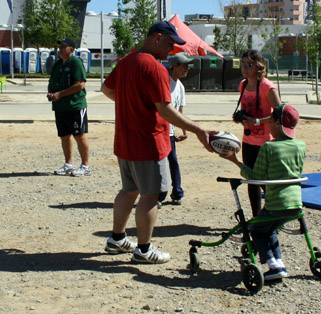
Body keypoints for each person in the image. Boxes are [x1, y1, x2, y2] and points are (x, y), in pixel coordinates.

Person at [101, 21, 215, 264]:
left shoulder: (127, 62)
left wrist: (131, 104)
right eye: (169, 43)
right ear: (157, 38)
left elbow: (106, 89)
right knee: (150, 196)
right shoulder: (155, 68)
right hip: (149, 143)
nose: (172, 49)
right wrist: (197, 129)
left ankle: (117, 239)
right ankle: (143, 250)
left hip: (125, 141)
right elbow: (165, 109)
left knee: (128, 190)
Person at [223, 103, 305, 280]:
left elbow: (256, 177)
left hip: (276, 203)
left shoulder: (269, 147)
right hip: (296, 203)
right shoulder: (300, 146)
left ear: (275, 122)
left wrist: (236, 161)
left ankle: (272, 264)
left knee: (257, 229)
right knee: (271, 227)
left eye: (271, 122)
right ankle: (279, 262)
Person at [233, 50, 282, 217]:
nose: (245, 68)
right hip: (248, 139)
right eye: (243, 64)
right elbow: (246, 109)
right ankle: (256, 217)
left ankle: (274, 213)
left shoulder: (268, 87)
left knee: (264, 181)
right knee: (251, 180)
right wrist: (241, 118)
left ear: (259, 67)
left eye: (249, 65)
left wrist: (257, 121)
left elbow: (280, 113)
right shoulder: (243, 85)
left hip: (265, 141)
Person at [47, 38, 91, 177]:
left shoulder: (76, 62)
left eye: (64, 47)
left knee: (79, 135)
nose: (60, 49)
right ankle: (68, 165)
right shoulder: (58, 64)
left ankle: (85, 166)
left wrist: (60, 94)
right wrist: (51, 93)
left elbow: (80, 84)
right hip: (60, 107)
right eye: (60, 46)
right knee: (64, 136)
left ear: (71, 49)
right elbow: (51, 81)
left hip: (75, 105)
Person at [158, 52, 193, 207]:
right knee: (160, 163)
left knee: (173, 161)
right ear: (175, 66)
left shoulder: (180, 86)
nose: (188, 68)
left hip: (170, 132)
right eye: (185, 65)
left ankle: (177, 192)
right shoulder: (164, 82)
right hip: (160, 130)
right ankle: (159, 195)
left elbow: (179, 111)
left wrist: (184, 130)